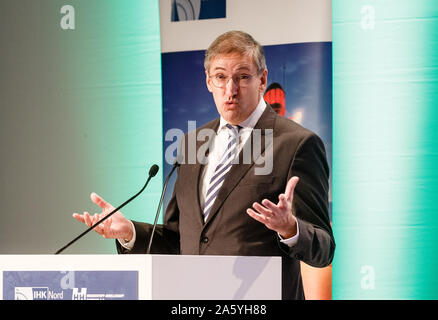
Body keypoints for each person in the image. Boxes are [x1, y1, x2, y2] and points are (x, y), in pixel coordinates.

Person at [73, 30, 335, 300]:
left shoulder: (297, 144)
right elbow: (180, 239)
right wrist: (130, 232)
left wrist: (290, 229)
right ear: (208, 81)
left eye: (243, 77)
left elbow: (324, 249)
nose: (230, 90)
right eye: (221, 77)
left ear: (262, 80)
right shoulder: (191, 144)